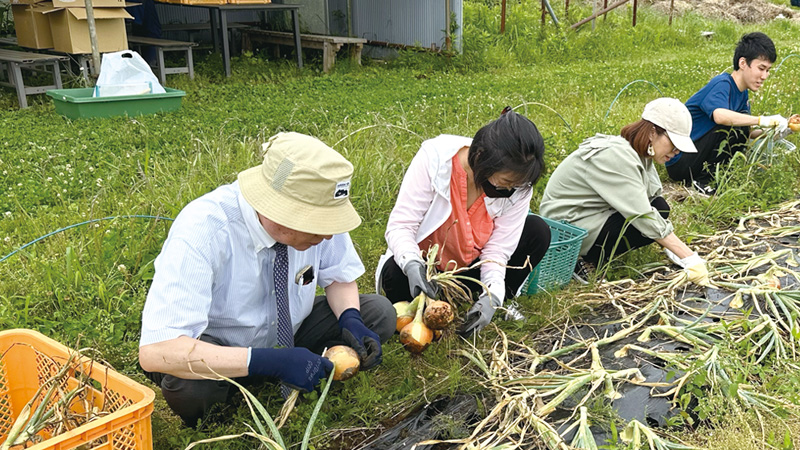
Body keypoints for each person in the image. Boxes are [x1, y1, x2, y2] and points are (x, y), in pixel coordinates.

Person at [139, 132, 395, 427]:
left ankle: (295, 364)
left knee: (379, 314)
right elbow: (157, 351)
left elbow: (338, 276)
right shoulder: (204, 230)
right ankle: (254, 376)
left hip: (291, 329)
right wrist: (266, 361)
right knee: (191, 390)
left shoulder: (321, 224)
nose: (327, 235)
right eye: (319, 224)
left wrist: (351, 319)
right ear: (277, 208)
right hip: (219, 343)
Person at [376, 108, 551, 336]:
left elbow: (498, 252)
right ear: (481, 158)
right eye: (506, 182)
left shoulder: (518, 187)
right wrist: (411, 263)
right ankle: (426, 304)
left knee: (537, 231)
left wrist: (492, 295)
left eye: (516, 185)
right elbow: (401, 226)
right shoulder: (435, 159)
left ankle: (486, 306)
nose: (510, 189)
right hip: (427, 273)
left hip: (470, 271)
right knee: (395, 271)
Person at [540, 98, 710, 286]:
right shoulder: (617, 156)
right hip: (565, 229)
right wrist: (689, 258)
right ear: (653, 132)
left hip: (590, 213)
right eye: (673, 142)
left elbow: (652, 199)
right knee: (642, 224)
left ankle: (594, 253)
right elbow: (642, 215)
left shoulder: (640, 155)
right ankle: (579, 259)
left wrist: (671, 247)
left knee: (660, 207)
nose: (677, 151)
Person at [666, 32, 791, 195]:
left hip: (697, 157)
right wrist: (761, 120)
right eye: (761, 68)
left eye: (768, 70)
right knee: (734, 125)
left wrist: (779, 130)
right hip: (681, 161)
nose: (764, 76)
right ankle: (704, 181)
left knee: (741, 127)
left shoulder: (742, 94)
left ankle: (712, 178)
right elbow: (720, 117)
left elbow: (747, 133)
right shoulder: (722, 84)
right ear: (743, 63)